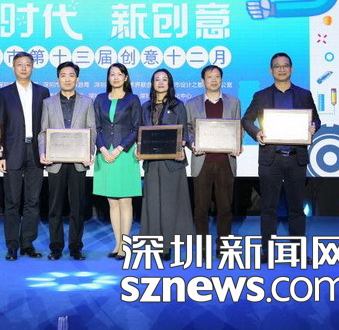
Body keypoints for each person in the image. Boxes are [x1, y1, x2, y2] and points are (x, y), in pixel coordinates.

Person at [241, 53, 320, 262]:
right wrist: (257, 133)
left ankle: (298, 251)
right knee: (268, 207)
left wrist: (313, 127)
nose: (281, 69)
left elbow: (316, 120)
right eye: (277, 66)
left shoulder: (304, 94)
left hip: (296, 158)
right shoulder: (261, 96)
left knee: (297, 208)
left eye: (285, 66)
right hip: (271, 158)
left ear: (291, 69)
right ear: (271, 71)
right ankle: (267, 251)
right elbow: (246, 120)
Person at [39, 62, 96, 261]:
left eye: (71, 75)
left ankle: (75, 247)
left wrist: (89, 152)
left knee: (77, 207)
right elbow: (43, 132)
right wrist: (43, 152)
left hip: (79, 161)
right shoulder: (48, 103)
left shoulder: (87, 102)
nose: (67, 79)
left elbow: (92, 131)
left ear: (77, 79)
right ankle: (55, 247)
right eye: (63, 75)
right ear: (58, 79)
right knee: (54, 207)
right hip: (55, 162)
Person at [0, 52, 50, 261]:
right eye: (20, 64)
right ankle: (12, 245)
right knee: (11, 201)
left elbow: (46, 125)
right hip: (13, 151)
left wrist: (47, 150)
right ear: (13, 67)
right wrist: (1, 155)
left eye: (28, 64)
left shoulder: (43, 92)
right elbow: (0, 124)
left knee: (33, 201)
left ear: (33, 67)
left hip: (36, 151)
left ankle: (27, 243)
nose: (24, 68)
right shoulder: (4, 93)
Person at [186, 65, 241, 259]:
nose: (214, 80)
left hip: (226, 161)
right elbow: (188, 130)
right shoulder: (191, 104)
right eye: (209, 77)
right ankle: (202, 247)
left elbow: (238, 128)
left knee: (225, 208)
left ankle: (223, 246)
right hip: (202, 161)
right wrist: (192, 144)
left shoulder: (233, 102)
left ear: (222, 79)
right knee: (200, 208)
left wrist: (237, 145)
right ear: (203, 81)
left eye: (217, 76)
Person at [140, 69, 194, 261]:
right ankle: (154, 242)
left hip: (172, 162)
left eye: (164, 79)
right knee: (153, 203)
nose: (161, 83)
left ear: (169, 83)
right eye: (157, 79)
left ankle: (168, 245)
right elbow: (141, 132)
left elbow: (184, 131)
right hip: (152, 162)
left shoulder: (178, 105)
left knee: (170, 205)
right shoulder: (145, 107)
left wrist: (182, 145)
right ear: (152, 83)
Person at [93, 63, 142, 260]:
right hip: (105, 153)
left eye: (119, 74)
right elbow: (95, 127)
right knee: (112, 201)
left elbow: (136, 127)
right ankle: (117, 244)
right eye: (112, 74)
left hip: (125, 154)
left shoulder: (132, 99)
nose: (115, 78)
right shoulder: (100, 99)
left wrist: (120, 148)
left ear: (126, 77)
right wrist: (103, 149)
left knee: (125, 200)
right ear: (108, 78)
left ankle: (125, 245)